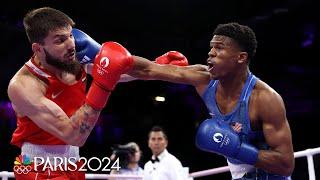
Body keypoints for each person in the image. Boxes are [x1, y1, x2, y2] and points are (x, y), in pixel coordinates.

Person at [8, 7, 190, 179]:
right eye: (59, 40)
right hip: (37, 165)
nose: (70, 44)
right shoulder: (24, 85)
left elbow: (113, 70)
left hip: (73, 162)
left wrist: (158, 64)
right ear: (38, 49)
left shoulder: (73, 56)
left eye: (70, 35)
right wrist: (102, 85)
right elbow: (73, 135)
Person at [131, 23, 295, 179]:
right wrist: (108, 58)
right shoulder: (203, 79)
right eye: (211, 47)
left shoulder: (265, 99)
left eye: (219, 48)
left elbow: (286, 164)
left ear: (241, 57)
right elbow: (148, 69)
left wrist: (237, 149)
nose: (211, 52)